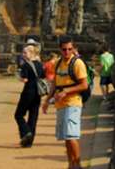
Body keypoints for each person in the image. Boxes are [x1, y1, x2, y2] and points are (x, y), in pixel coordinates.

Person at [43, 35, 88, 169]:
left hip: (73, 102)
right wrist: (46, 100)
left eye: (69, 49)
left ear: (73, 48)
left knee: (71, 135)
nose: (67, 52)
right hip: (60, 103)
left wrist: (66, 91)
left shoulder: (77, 63)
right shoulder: (57, 63)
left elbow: (84, 85)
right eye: (64, 50)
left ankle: (78, 164)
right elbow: (54, 84)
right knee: (66, 137)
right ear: (60, 50)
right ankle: (71, 163)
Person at [14, 45, 43, 147]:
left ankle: (26, 132)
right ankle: (29, 142)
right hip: (38, 93)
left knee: (18, 114)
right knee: (33, 117)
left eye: (25, 53)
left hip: (28, 92)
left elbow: (25, 79)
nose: (23, 55)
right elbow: (43, 76)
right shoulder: (40, 64)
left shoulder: (26, 65)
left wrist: (19, 77)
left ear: (31, 53)